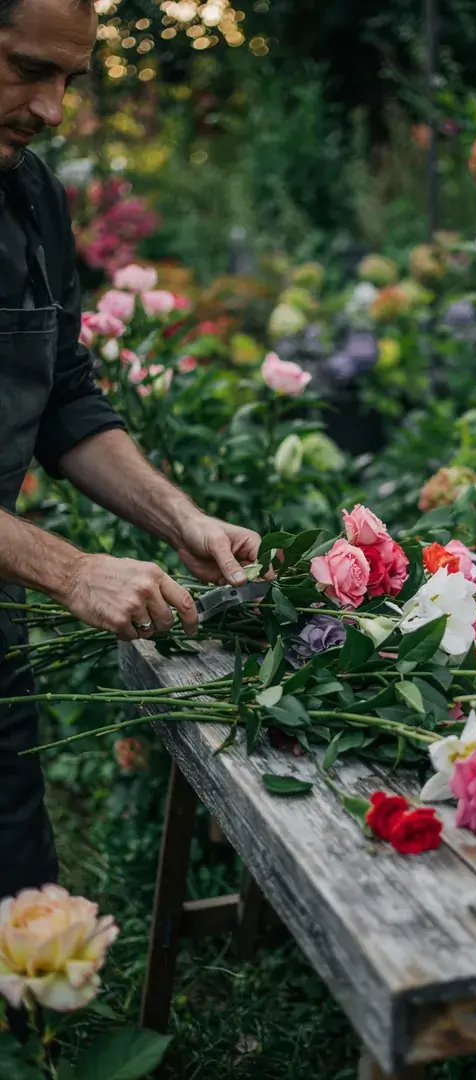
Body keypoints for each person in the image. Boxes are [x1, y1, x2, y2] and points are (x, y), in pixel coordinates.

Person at [0, 0, 261, 907]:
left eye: (69, 80)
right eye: (27, 68)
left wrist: (178, 517)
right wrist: (71, 572)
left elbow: (65, 398)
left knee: (18, 912)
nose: (51, 109)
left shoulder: (30, 196)